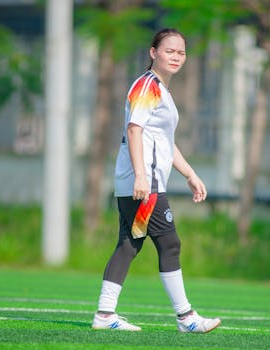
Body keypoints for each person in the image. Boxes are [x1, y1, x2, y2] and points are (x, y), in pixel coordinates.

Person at [92, 28, 221, 333]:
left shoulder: (161, 89)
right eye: (169, 51)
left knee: (129, 244)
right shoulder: (147, 86)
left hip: (143, 179)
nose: (176, 57)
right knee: (170, 244)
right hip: (143, 182)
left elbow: (163, 141)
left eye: (181, 52)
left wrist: (189, 174)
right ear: (153, 53)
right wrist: (141, 175)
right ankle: (186, 317)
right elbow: (135, 130)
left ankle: (105, 315)